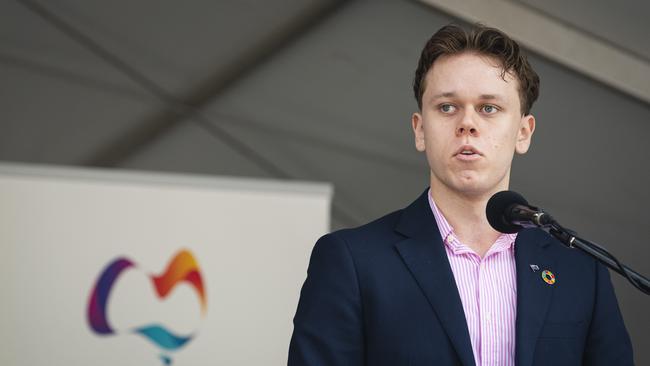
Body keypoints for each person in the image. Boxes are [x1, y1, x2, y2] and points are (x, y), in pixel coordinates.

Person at [288, 24, 633, 366]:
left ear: (523, 133)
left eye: (488, 108)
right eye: (447, 107)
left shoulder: (580, 267)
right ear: (420, 130)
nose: (467, 123)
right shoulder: (352, 262)